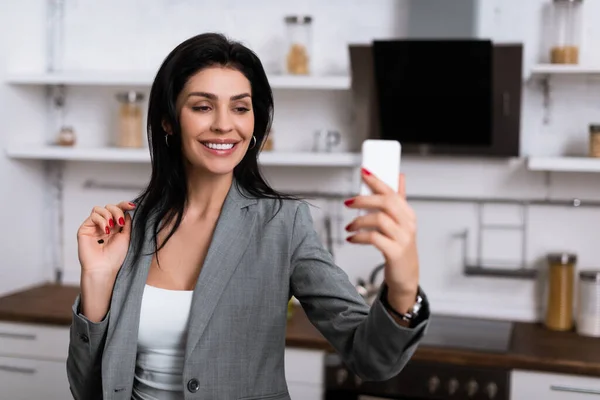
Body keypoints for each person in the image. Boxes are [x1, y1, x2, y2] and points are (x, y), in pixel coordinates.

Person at [66, 32, 430, 400]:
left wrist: (403, 286)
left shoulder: (282, 225)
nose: (225, 125)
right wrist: (97, 279)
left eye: (240, 107)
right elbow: (88, 390)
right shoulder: (131, 228)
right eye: (203, 106)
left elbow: (371, 359)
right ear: (168, 120)